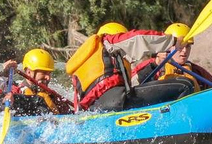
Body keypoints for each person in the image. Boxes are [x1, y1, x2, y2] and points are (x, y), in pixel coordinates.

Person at [65, 22, 194, 112]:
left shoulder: (84, 61)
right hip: (115, 99)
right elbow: (139, 38)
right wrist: (172, 41)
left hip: (95, 108)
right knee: (185, 85)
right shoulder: (109, 41)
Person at [132, 23, 212, 91]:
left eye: (188, 46)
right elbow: (132, 85)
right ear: (168, 46)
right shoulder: (151, 65)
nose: (184, 51)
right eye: (180, 46)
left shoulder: (196, 71)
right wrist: (155, 65)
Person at [8, 49, 72, 116]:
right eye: (44, 73)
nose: (48, 77)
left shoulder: (52, 96)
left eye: (49, 73)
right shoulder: (15, 92)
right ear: (29, 72)